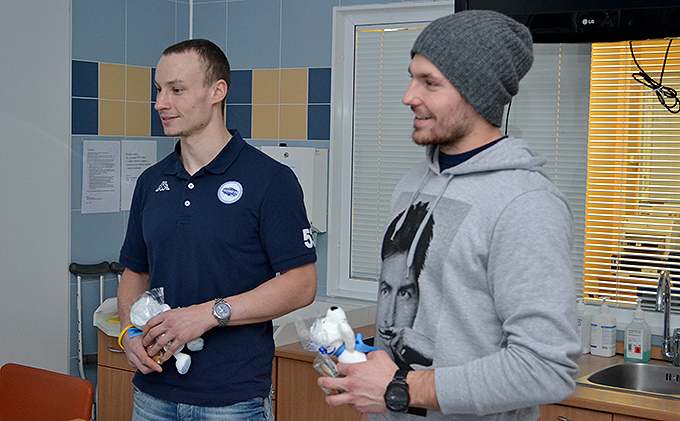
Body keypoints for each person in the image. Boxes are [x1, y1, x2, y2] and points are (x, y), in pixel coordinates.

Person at [319, 10, 581, 421]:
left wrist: (401, 388)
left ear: (477, 93)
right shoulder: (412, 184)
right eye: (412, 78)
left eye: (430, 83)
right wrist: (367, 370)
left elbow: (545, 367)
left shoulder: (526, 203)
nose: (409, 96)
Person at [117, 38, 317, 421]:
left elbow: (302, 284)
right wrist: (128, 333)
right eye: (159, 90)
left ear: (217, 91)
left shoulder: (270, 180)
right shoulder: (151, 182)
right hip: (152, 395)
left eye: (176, 90)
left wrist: (207, 314)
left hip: (232, 401)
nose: (160, 103)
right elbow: (135, 272)